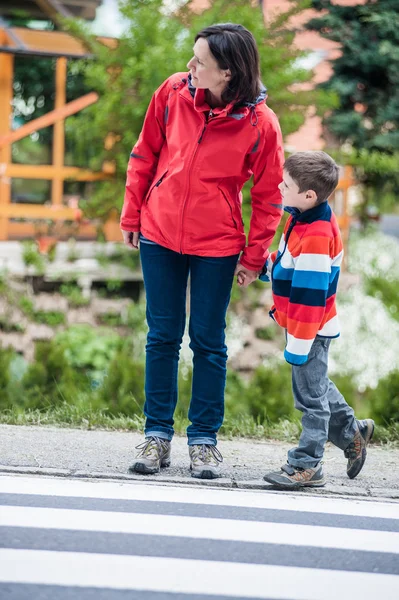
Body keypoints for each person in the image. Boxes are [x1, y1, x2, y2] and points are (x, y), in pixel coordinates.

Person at [120, 23, 284, 479]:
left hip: (217, 244)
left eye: (200, 62)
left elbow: (269, 196)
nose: (189, 67)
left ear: (228, 73)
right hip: (159, 233)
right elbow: (144, 154)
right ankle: (156, 436)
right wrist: (132, 215)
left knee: (209, 342)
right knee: (162, 336)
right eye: (192, 57)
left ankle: (204, 441)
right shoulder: (173, 92)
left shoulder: (260, 124)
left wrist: (254, 257)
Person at [258, 151, 374, 489]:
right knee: (316, 386)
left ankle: (308, 465)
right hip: (303, 326)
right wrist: (265, 267)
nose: (280, 187)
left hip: (308, 328)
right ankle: (353, 434)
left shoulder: (316, 234)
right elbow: (288, 263)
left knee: (310, 399)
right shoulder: (303, 217)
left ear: (309, 195)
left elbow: (310, 296)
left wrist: (299, 344)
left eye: (287, 184)